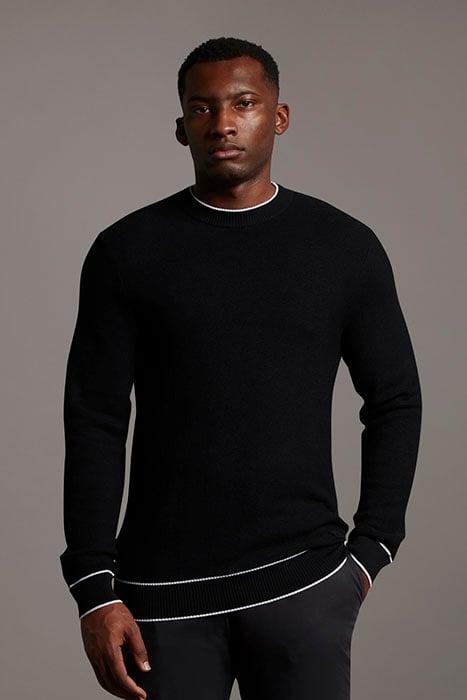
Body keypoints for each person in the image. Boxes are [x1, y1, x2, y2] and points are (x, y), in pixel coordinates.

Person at [59, 36, 422, 700]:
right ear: (181, 127)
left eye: (243, 104)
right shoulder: (127, 252)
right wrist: (93, 588)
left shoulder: (342, 247)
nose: (222, 123)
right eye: (202, 109)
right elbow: (95, 419)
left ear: (278, 117)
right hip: (160, 598)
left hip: (304, 587)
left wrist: (374, 547)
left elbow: (394, 398)